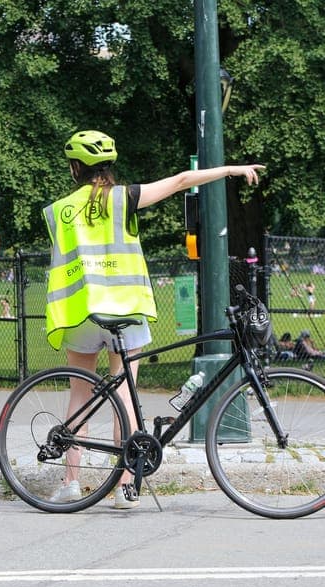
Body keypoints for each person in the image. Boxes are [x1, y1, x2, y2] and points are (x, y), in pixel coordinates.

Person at [43, 129, 264, 509]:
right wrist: (231, 168)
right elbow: (180, 181)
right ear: (109, 167)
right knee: (125, 396)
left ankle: (71, 482)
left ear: (75, 168)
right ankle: (125, 486)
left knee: (78, 396)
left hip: (81, 312)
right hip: (125, 309)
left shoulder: (58, 210)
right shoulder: (124, 198)